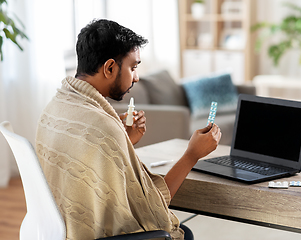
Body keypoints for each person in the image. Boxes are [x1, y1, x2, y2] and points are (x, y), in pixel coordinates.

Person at [35, 19, 221, 240]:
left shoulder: (54, 107)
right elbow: (155, 209)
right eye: (133, 67)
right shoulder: (103, 127)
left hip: (58, 231)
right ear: (110, 68)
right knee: (182, 234)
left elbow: (88, 159)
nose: (137, 77)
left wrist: (124, 142)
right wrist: (192, 154)